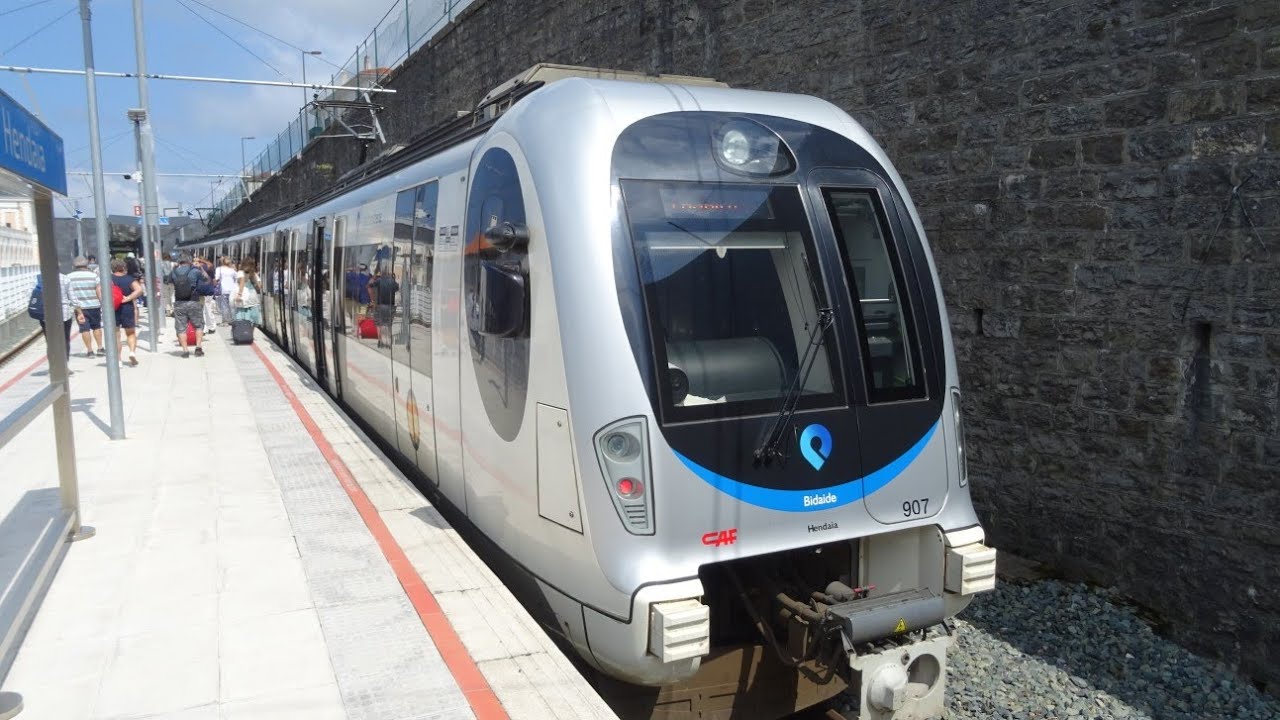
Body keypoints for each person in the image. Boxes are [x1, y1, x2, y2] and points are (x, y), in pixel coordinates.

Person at [170, 252, 209, 358]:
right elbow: (206, 279)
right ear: (190, 260)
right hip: (194, 301)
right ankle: (198, 348)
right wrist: (201, 268)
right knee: (198, 325)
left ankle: (185, 351)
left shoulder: (174, 272)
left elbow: (169, 282)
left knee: (181, 328)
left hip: (179, 302)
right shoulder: (195, 271)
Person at [65, 256, 104, 358]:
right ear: (87, 264)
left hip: (79, 308)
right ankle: (100, 348)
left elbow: (67, 293)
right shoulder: (94, 276)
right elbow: (99, 292)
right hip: (94, 305)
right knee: (97, 327)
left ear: (74, 265)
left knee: (84, 329)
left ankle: (90, 351)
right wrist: (102, 304)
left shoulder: (68, 277)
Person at [108, 259, 143, 366]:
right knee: (130, 332)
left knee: (116, 335)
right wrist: (128, 298)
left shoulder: (108, 279)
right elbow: (139, 290)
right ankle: (132, 352)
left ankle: (119, 360)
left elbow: (100, 290)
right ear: (123, 267)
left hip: (113, 308)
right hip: (126, 307)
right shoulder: (129, 279)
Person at [34, 273, 74, 360]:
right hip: (64, 313)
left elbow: (31, 295)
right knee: (65, 339)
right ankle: (65, 362)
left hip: (45, 314)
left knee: (50, 341)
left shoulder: (39, 278)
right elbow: (72, 297)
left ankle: (53, 362)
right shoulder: (65, 278)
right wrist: (79, 311)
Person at [368, 268, 399, 349]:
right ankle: (388, 342)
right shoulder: (393, 282)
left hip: (380, 306)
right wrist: (393, 279)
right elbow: (397, 288)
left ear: (382, 273)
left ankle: (380, 341)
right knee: (388, 324)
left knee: (379, 324)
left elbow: (369, 285)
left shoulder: (379, 281)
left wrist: (374, 277)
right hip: (390, 306)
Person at [234, 256, 262, 324]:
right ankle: (251, 329)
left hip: (244, 295)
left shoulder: (240, 272)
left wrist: (239, 294)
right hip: (253, 295)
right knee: (253, 315)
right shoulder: (254, 273)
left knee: (243, 313)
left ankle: (245, 328)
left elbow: (242, 283)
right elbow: (260, 286)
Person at [214, 256, 237, 326]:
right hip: (232, 289)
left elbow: (216, 278)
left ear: (222, 262)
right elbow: (236, 278)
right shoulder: (232, 270)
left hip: (223, 289)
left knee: (224, 305)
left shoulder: (219, 269)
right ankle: (232, 320)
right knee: (232, 305)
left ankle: (225, 321)